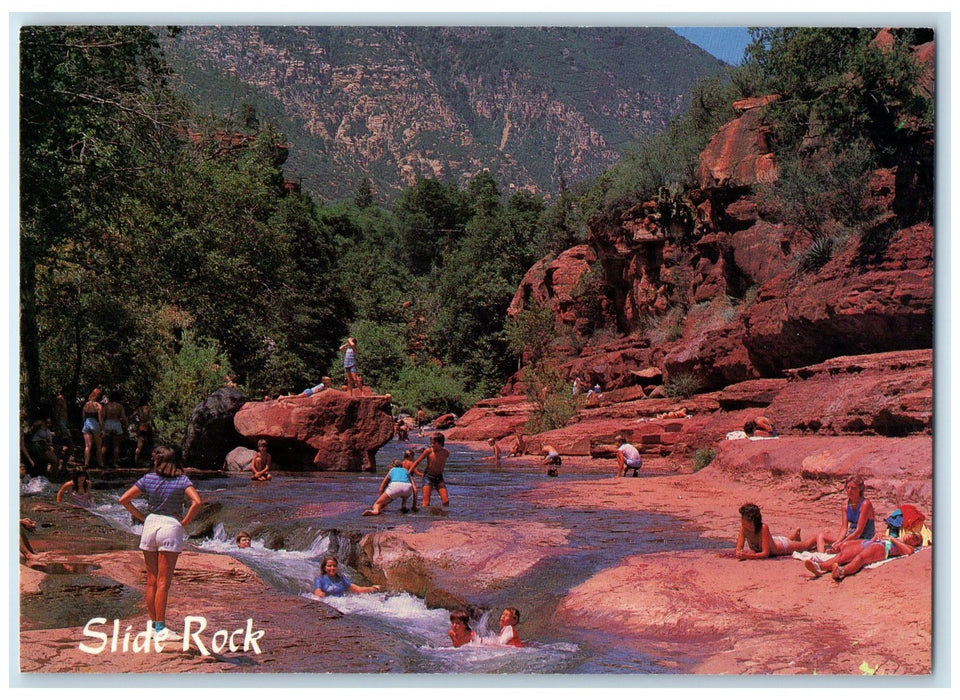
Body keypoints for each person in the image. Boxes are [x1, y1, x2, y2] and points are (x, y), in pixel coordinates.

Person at [118, 445, 203, 641]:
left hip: (150, 524)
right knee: (164, 583)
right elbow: (197, 502)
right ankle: (161, 629)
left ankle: (153, 625)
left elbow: (124, 499)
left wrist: (141, 517)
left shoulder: (148, 479)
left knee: (151, 581)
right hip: (170, 526)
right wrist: (184, 523)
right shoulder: (182, 481)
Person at [804, 532, 922, 581]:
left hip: (882, 548)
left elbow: (907, 552)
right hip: (872, 543)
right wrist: (876, 537)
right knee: (842, 556)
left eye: (916, 539)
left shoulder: (908, 547)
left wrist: (891, 539)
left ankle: (841, 571)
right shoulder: (897, 537)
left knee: (860, 559)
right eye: (912, 534)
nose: (911, 537)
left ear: (916, 544)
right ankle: (819, 567)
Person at [734, 503, 818, 559]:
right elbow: (738, 549)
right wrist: (740, 553)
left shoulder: (763, 528)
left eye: (743, 517)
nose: (741, 519)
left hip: (782, 546)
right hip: (773, 540)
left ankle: (820, 536)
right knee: (786, 540)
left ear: (751, 521)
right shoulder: (744, 529)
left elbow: (765, 553)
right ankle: (794, 537)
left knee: (806, 546)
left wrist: (749, 556)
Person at [817, 477, 876, 553]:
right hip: (851, 536)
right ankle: (821, 557)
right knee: (821, 536)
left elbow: (858, 531)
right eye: (848, 488)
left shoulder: (865, 504)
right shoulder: (845, 504)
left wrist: (842, 543)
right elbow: (844, 528)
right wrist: (838, 542)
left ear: (860, 490)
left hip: (864, 538)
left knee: (844, 546)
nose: (849, 491)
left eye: (853, 488)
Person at [410, 433, 451, 509]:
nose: (432, 445)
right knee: (426, 503)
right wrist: (408, 472)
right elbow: (417, 462)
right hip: (428, 477)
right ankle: (424, 518)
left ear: (440, 443)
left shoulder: (446, 453)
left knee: (446, 501)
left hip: (439, 477)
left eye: (434, 443)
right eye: (431, 443)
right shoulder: (428, 451)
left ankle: (442, 516)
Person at [312, 556, 380, 597]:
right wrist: (321, 594)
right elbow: (317, 592)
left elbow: (358, 589)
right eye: (329, 566)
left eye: (334, 566)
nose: (332, 568)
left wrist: (372, 588)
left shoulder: (342, 579)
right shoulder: (319, 580)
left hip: (341, 604)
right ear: (324, 568)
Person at [101, 393, 128, 467]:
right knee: (116, 445)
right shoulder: (120, 406)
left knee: (105, 444)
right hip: (116, 423)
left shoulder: (106, 406)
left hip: (108, 423)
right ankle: (115, 462)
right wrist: (126, 425)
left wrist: (102, 427)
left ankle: (102, 462)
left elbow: (102, 417)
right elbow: (123, 417)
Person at [81, 388, 104, 469]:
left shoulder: (86, 405)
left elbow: (83, 417)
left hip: (86, 424)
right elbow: (100, 418)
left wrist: (85, 423)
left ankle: (86, 463)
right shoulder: (98, 406)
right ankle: (100, 463)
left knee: (87, 446)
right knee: (98, 446)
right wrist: (102, 429)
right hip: (94, 424)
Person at [133, 399, 154, 466]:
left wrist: (137, 422)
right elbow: (151, 419)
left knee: (139, 445)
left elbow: (132, 416)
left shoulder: (138, 409)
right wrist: (155, 427)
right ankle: (150, 460)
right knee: (149, 444)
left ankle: (135, 460)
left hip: (140, 427)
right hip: (147, 427)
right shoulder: (148, 409)